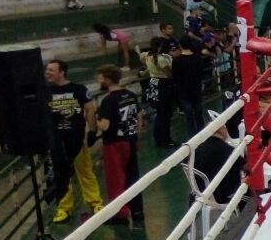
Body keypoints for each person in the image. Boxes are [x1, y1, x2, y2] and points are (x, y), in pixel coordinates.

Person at [44, 59, 103, 224]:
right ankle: (64, 208)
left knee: (85, 172)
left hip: (76, 139)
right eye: (47, 70)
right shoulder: (45, 91)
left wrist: (92, 131)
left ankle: (95, 203)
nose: (47, 72)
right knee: (61, 176)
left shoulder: (79, 89)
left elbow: (90, 110)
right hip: (56, 142)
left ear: (62, 72)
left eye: (51, 70)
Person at [95, 65, 143, 225]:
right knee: (132, 177)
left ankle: (120, 214)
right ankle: (137, 211)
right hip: (130, 139)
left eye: (101, 78)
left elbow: (105, 126)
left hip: (114, 143)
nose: (99, 81)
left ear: (108, 79)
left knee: (116, 178)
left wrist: (95, 118)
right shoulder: (130, 95)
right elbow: (139, 117)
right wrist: (136, 135)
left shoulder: (108, 101)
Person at [143, 23, 179, 148]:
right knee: (166, 115)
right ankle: (166, 139)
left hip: (153, 84)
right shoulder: (161, 59)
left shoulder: (148, 57)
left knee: (160, 114)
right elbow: (169, 73)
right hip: (164, 86)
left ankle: (158, 138)